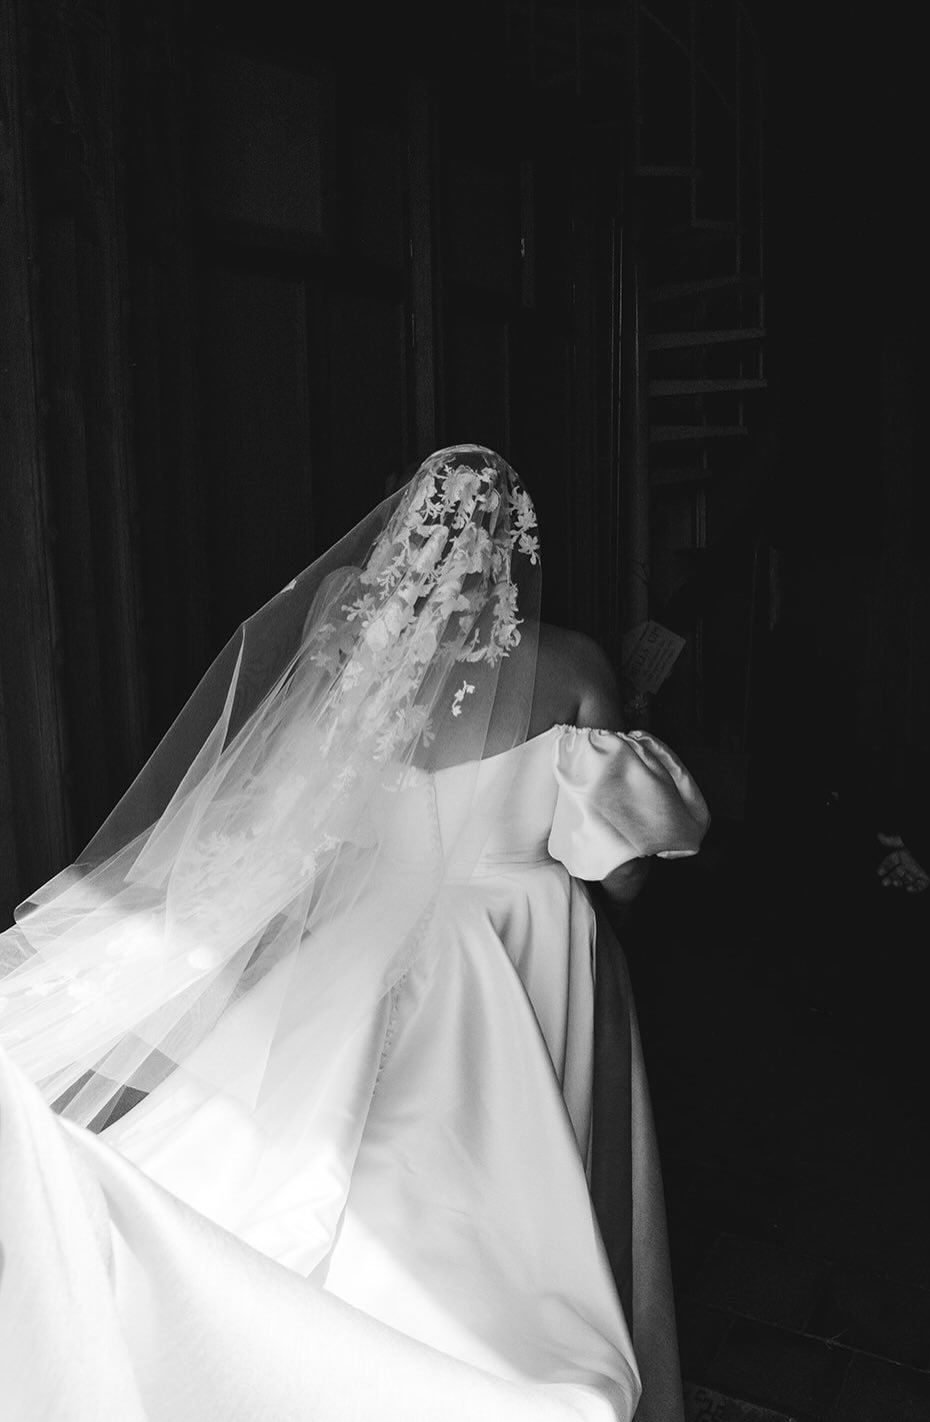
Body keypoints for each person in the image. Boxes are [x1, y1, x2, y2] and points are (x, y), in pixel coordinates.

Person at [0, 444, 709, 1422]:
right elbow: (621, 873)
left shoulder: (350, 648)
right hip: (527, 944)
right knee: (530, 1165)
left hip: (373, 932)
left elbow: (298, 814)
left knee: (377, 1160)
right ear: (513, 550)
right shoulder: (573, 666)